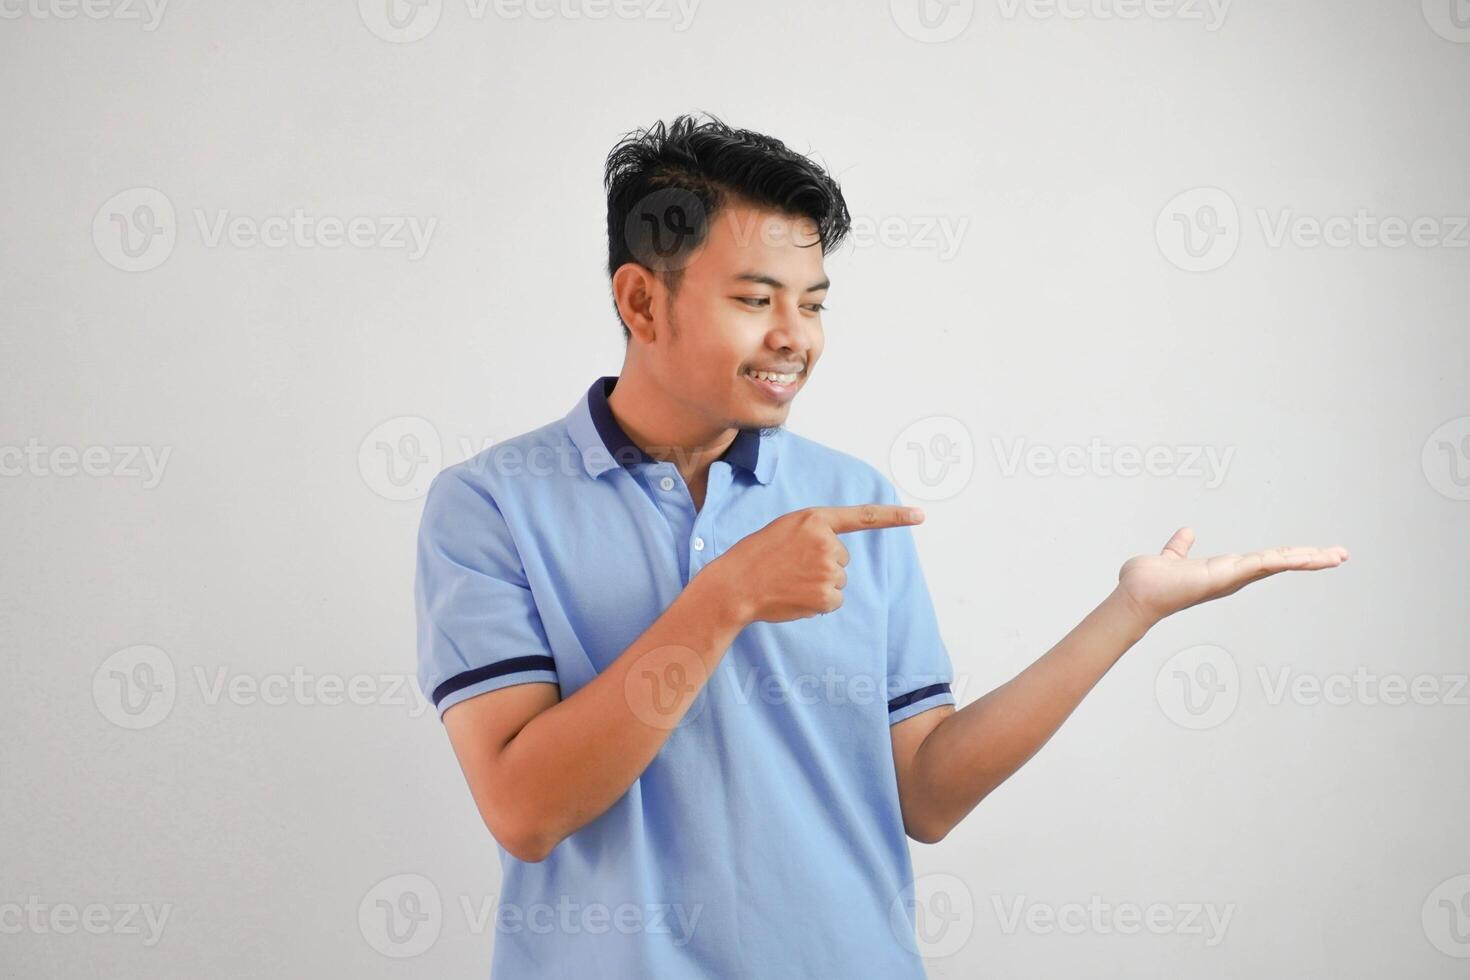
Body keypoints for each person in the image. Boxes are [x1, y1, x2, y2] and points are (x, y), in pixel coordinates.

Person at [413, 111, 1349, 978]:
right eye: (756, 298)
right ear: (642, 302)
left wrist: (1129, 611)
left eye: (814, 304)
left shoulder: (853, 499)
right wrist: (727, 595)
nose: (795, 338)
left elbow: (928, 795)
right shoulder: (492, 505)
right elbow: (526, 811)